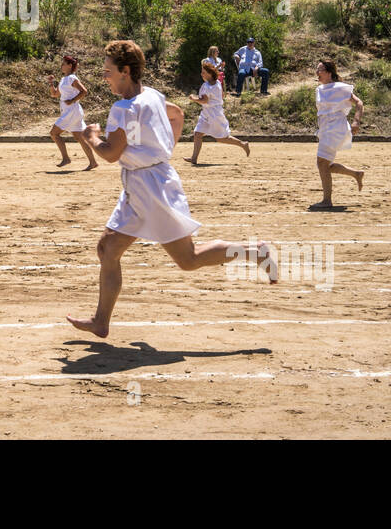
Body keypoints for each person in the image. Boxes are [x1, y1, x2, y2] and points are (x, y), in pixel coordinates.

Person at [66, 40, 276, 339]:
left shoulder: (123, 108)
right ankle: (101, 321)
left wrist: (91, 136)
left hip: (151, 189)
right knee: (107, 249)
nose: (104, 77)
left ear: (125, 71)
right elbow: (177, 114)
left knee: (189, 259)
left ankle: (257, 252)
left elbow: (111, 154)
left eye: (108, 71)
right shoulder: (151, 95)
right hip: (145, 182)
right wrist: (163, 151)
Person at [309, 59, 364, 209]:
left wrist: (356, 122)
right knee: (326, 165)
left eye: (320, 70)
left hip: (336, 127)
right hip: (326, 128)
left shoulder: (340, 88)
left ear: (329, 72)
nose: (317, 72)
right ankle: (356, 174)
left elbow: (359, 103)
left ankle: (327, 201)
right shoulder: (319, 90)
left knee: (321, 163)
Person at [187, 61, 249, 162]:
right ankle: (194, 158)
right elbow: (221, 95)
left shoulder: (207, 86)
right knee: (197, 134)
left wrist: (193, 98)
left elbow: (204, 101)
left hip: (214, 114)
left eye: (203, 72)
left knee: (221, 138)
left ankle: (242, 144)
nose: (201, 74)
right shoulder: (217, 83)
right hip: (208, 112)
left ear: (210, 74)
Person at [48, 55, 97, 170]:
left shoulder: (72, 78)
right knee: (79, 137)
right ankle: (93, 162)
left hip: (72, 111)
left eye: (64, 63)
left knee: (54, 133)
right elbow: (54, 94)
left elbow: (84, 91)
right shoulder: (63, 79)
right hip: (69, 111)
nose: (61, 65)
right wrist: (51, 83)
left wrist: (72, 100)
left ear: (70, 66)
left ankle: (66, 158)